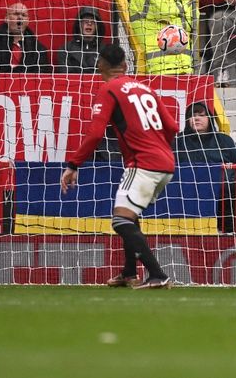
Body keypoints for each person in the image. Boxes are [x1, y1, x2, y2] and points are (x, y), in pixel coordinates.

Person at [60, 44, 178, 289]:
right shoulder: (146, 88)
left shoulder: (109, 89)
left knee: (120, 220)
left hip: (143, 163)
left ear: (99, 64)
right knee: (130, 216)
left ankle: (158, 275)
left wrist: (73, 164)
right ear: (125, 66)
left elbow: (94, 134)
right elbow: (173, 126)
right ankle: (128, 272)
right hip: (166, 162)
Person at [174, 102, 236, 234]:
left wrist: (229, 180)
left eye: (201, 115)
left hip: (225, 195)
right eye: (192, 115)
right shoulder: (178, 142)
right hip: (190, 196)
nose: (196, 118)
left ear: (209, 118)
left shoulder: (223, 140)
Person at [0, 2, 51, 73]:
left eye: (24, 15)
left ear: (28, 21)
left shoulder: (37, 48)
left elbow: (43, 71)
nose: (20, 17)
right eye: (16, 14)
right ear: (6, 18)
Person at [56, 7, 106, 74]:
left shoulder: (105, 50)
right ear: (79, 25)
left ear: (97, 26)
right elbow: (65, 73)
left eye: (93, 21)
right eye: (85, 21)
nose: (89, 24)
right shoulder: (65, 49)